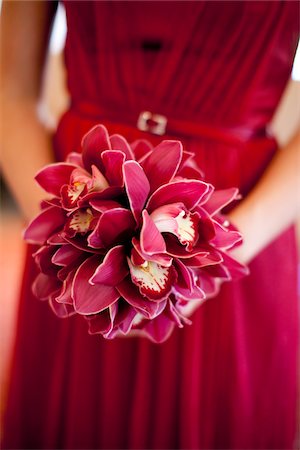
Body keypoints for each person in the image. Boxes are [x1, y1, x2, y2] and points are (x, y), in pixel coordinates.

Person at [1, 1, 299, 449]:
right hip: (78, 228)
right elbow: (9, 87)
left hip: (231, 232)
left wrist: (224, 251)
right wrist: (68, 240)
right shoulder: (73, 243)